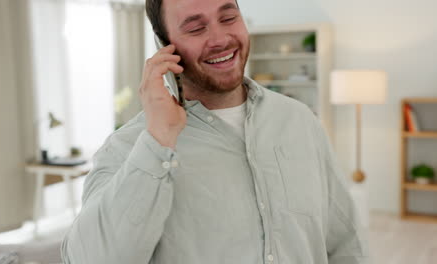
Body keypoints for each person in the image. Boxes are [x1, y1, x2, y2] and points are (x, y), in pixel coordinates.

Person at [61, 0, 370, 263]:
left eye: (228, 17)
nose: (220, 38)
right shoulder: (129, 146)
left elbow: (344, 240)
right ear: (162, 44)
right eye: (196, 28)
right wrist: (159, 139)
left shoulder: (299, 120)